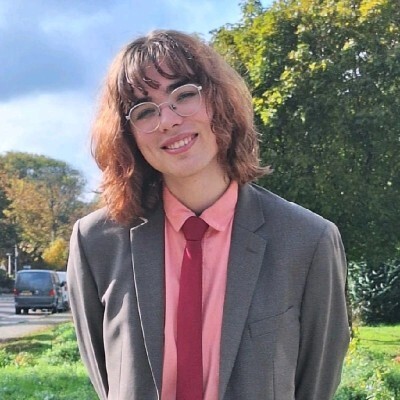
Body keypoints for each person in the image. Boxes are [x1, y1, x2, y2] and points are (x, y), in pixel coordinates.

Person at [67, 29, 350, 400]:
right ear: (128, 134)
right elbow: (107, 379)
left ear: (219, 100)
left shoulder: (307, 241)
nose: (167, 120)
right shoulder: (95, 242)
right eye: (144, 110)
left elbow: (316, 384)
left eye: (184, 95)